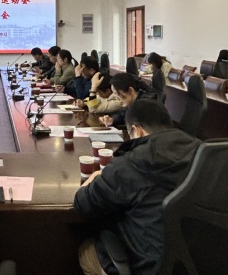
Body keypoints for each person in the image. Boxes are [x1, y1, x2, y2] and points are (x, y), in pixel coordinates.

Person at [74, 100, 200, 275]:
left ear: (137, 130)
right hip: (197, 262)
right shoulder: (201, 151)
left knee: (87, 252)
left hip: (149, 267)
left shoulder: (130, 162)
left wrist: (94, 178)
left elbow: (82, 204)